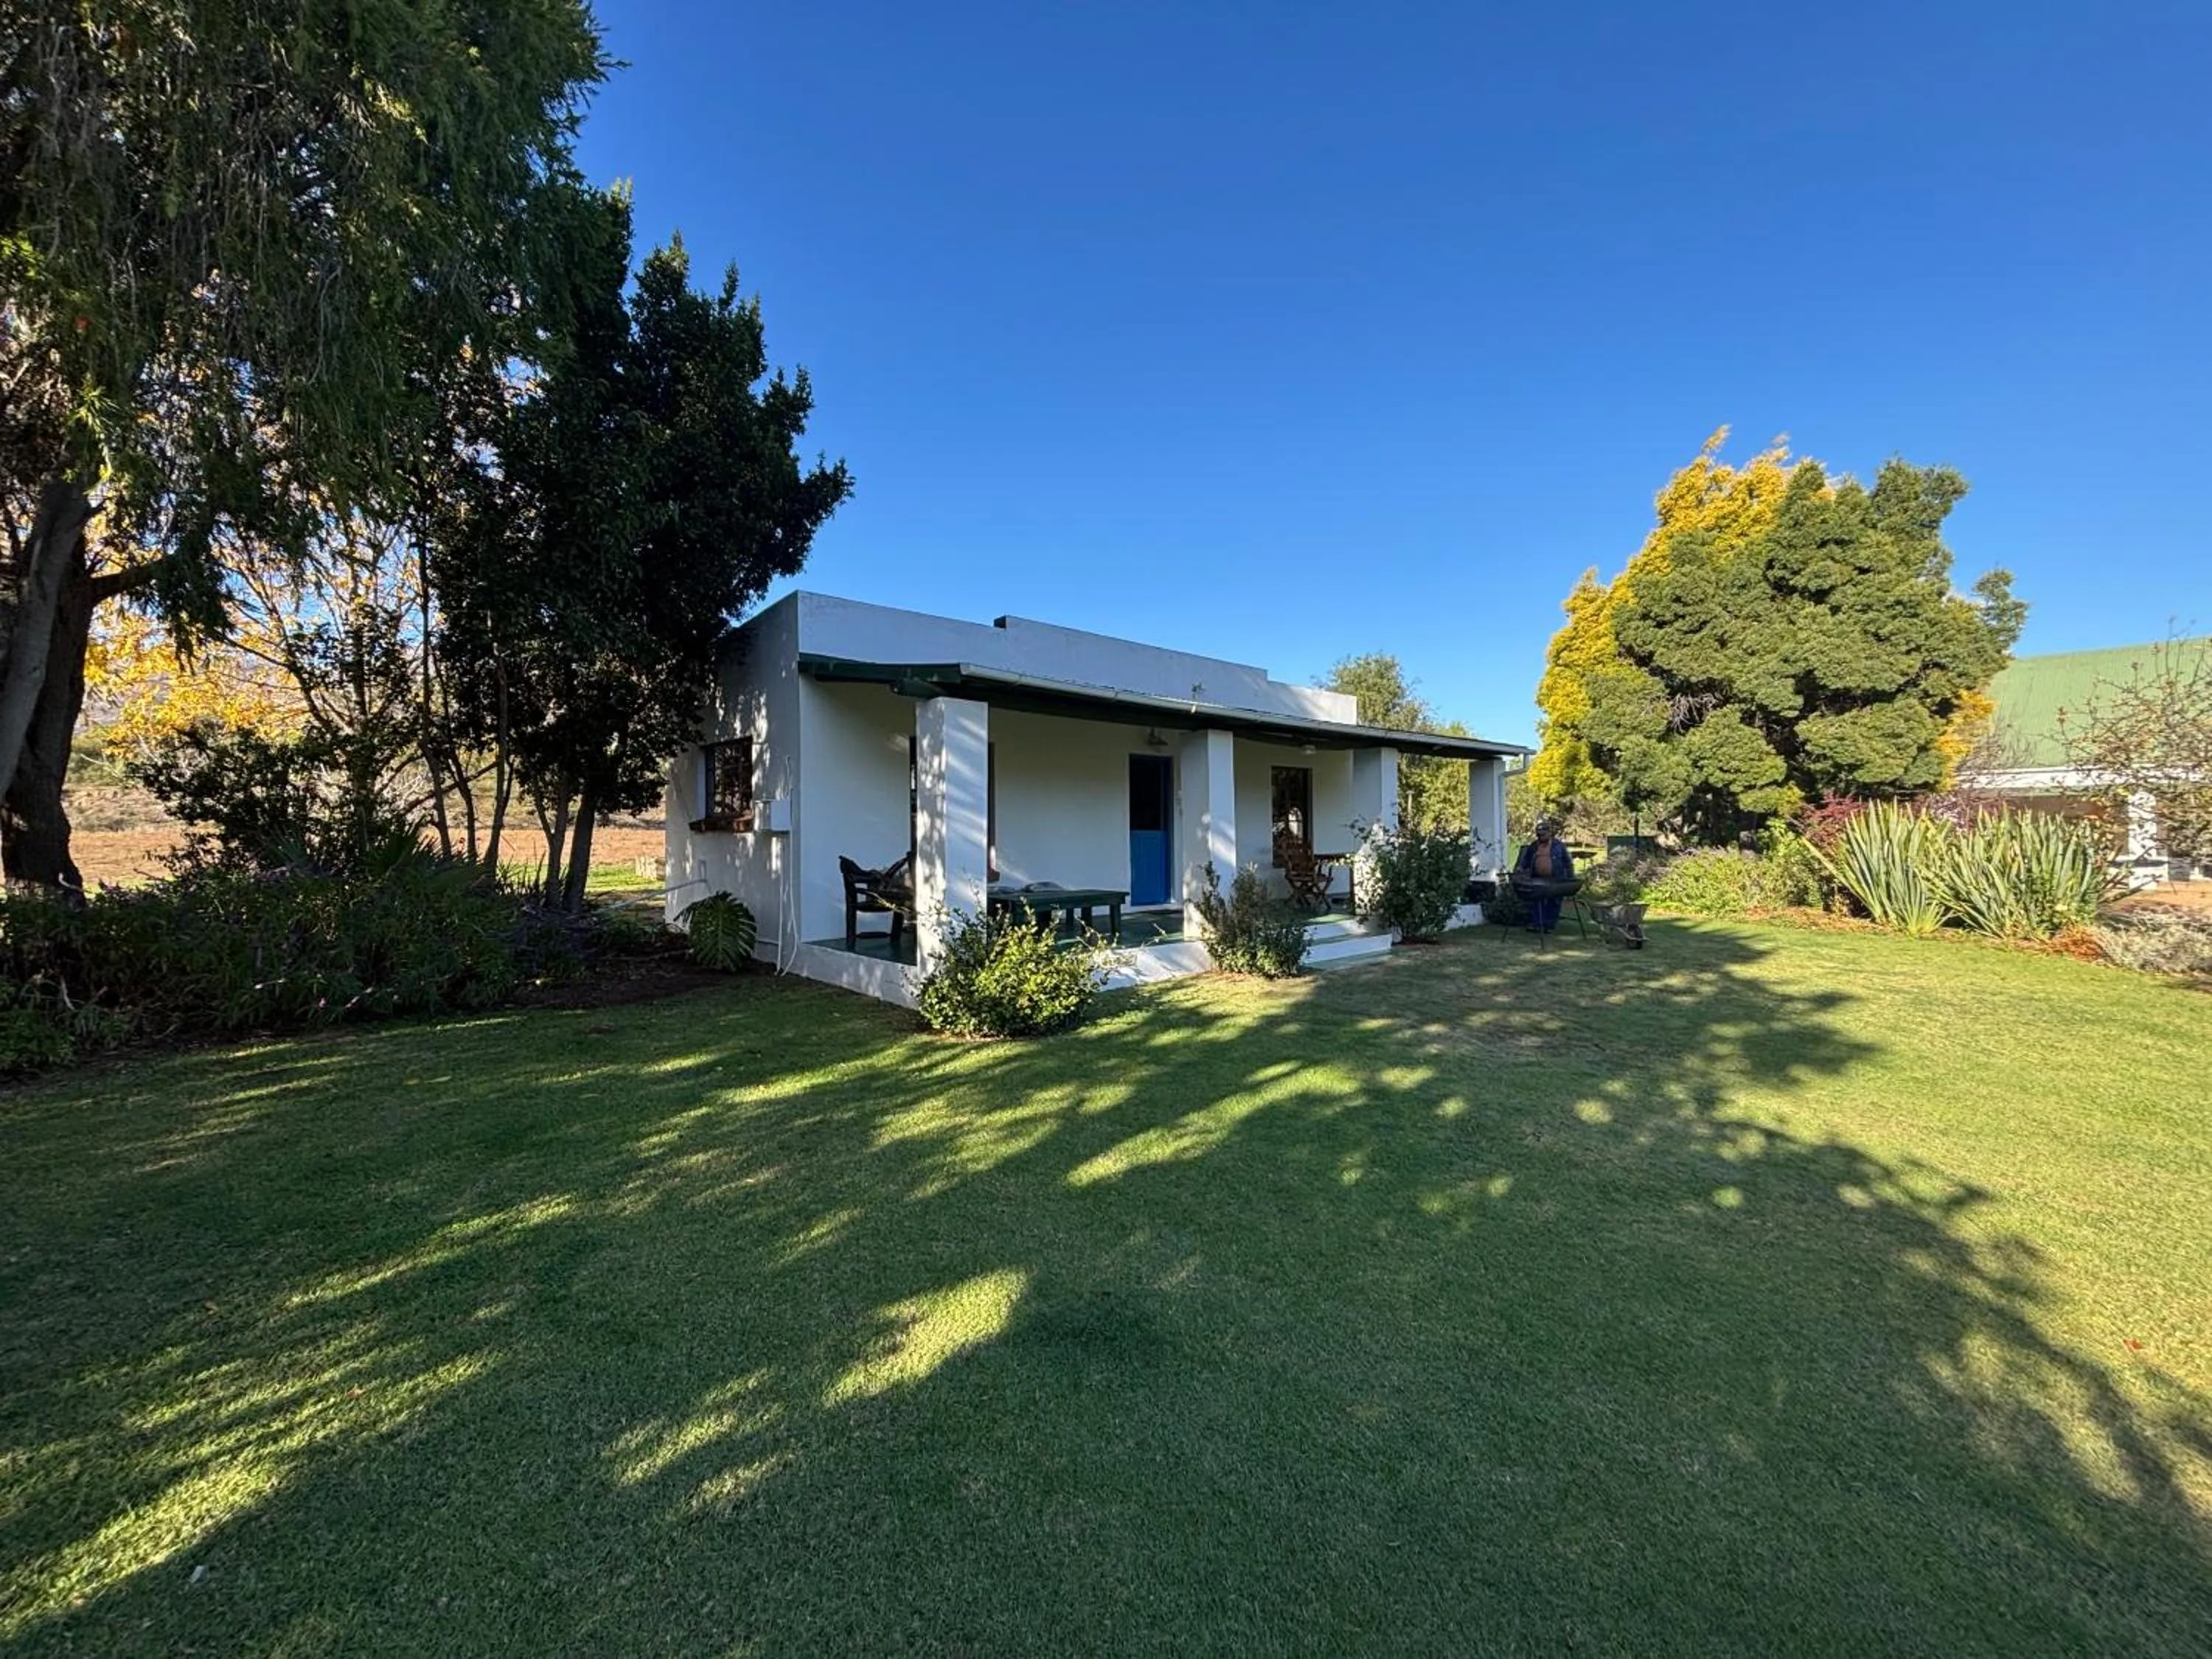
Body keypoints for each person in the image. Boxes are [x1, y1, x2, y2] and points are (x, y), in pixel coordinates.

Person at [1514, 818, 1576, 933]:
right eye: (1538, 835)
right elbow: (1526, 859)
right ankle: (1537, 924)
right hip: (1538, 878)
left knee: (1554, 901)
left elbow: (1567, 862)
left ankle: (1549, 925)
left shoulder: (1559, 846)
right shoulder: (1534, 846)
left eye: (1542, 835)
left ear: (1549, 833)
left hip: (1555, 878)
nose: (1540, 838)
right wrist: (1521, 868)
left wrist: (1570, 878)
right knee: (1537, 901)